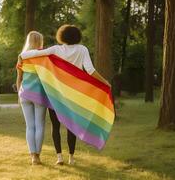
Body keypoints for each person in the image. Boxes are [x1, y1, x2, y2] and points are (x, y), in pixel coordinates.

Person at [20, 25, 110, 165]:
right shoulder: (82, 49)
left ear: (61, 36)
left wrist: (22, 56)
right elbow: (91, 71)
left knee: (55, 126)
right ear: (77, 36)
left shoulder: (56, 49)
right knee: (71, 126)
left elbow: (29, 55)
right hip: (74, 96)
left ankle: (59, 157)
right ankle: (71, 158)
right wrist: (105, 82)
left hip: (56, 94)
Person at [16, 31, 47, 165]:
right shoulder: (44, 56)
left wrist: (19, 93)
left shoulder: (22, 57)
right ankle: (37, 156)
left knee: (30, 126)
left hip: (24, 94)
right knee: (39, 125)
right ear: (40, 41)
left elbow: (19, 78)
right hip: (39, 95)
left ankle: (33, 156)